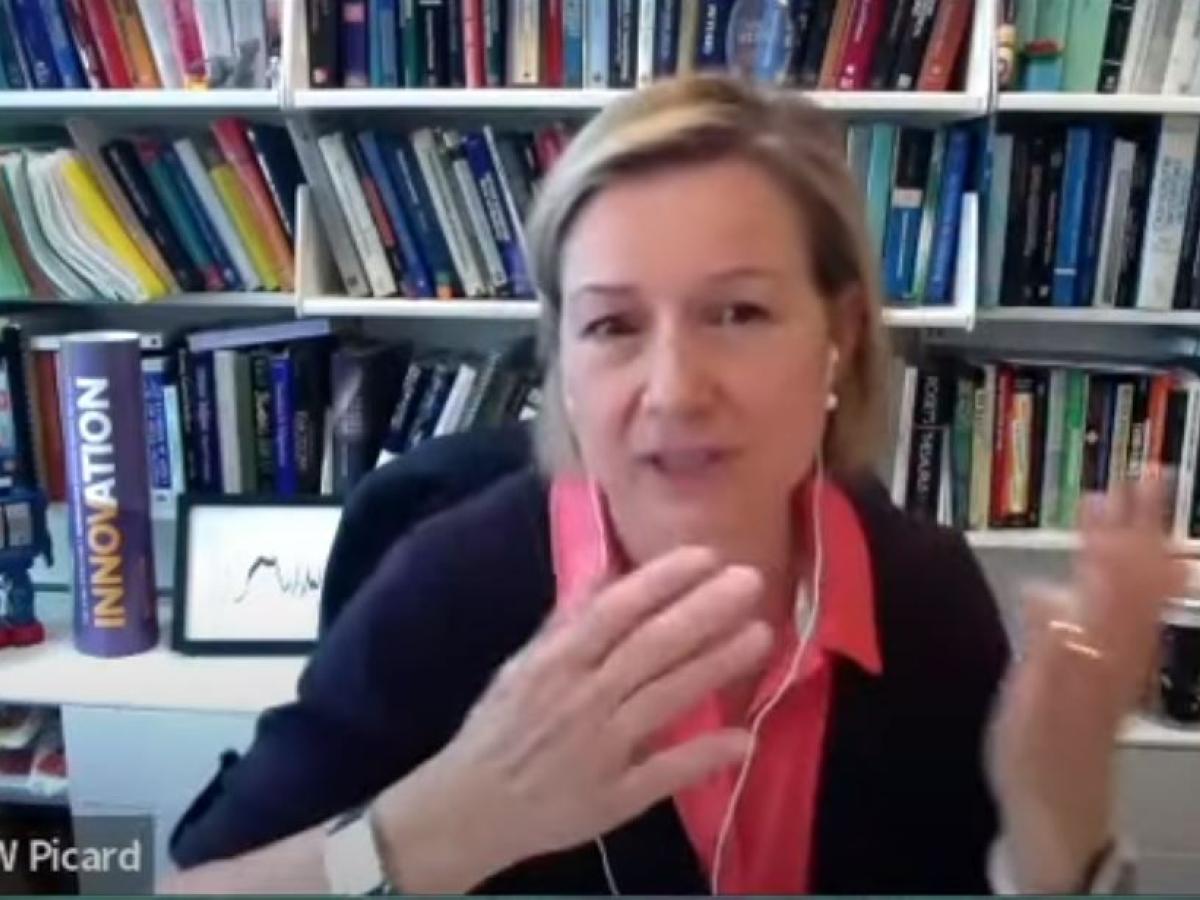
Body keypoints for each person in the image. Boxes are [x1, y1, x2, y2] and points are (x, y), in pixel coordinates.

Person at [163, 76, 1184, 894]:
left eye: (736, 313)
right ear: (561, 359)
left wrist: (1064, 836)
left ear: (840, 337)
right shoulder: (449, 584)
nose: (673, 390)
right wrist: (432, 831)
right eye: (612, 325)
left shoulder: (923, 593)